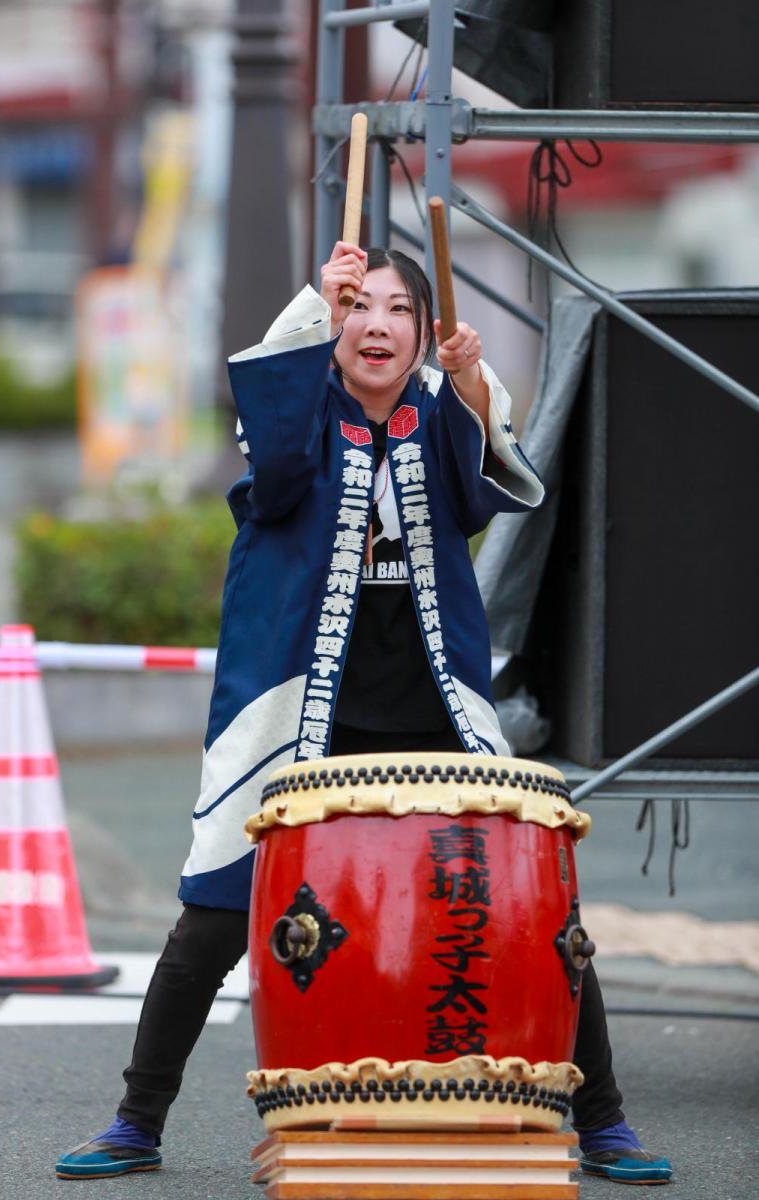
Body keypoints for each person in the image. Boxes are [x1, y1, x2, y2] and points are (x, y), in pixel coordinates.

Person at [56, 243, 672, 1185]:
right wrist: (311, 309)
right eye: (360, 308)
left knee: (538, 906)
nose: (376, 325)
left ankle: (605, 1121)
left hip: (435, 703)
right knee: (215, 912)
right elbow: (276, 480)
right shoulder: (300, 399)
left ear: (423, 334)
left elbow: (483, 495)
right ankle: (136, 1120)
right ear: (335, 326)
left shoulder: (436, 408)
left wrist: (470, 387)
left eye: (398, 312)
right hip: (293, 706)